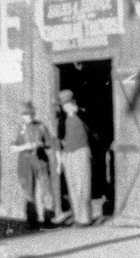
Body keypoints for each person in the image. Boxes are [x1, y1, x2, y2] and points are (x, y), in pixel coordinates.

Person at [10, 101, 55, 229]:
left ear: (34, 114)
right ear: (22, 115)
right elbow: (12, 147)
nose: (28, 116)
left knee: (46, 189)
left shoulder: (41, 127)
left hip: (40, 161)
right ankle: (32, 220)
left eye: (30, 114)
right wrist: (25, 146)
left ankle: (48, 218)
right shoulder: (19, 128)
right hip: (25, 162)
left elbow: (49, 145)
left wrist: (40, 145)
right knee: (28, 191)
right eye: (25, 114)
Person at [57, 89, 92, 227]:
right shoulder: (62, 119)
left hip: (80, 152)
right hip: (68, 154)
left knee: (82, 185)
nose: (66, 107)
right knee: (72, 186)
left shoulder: (83, 114)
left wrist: (78, 111)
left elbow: (91, 125)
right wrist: (61, 156)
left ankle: (85, 219)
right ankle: (78, 217)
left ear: (73, 102)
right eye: (63, 105)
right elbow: (60, 137)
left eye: (68, 104)